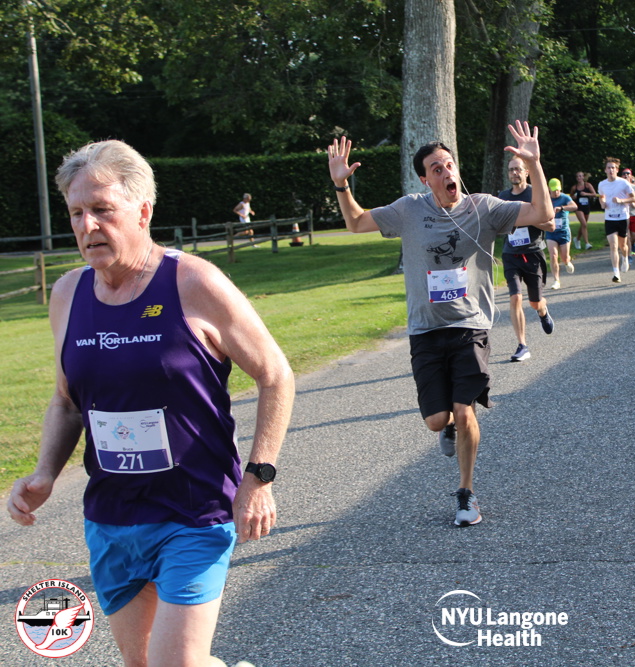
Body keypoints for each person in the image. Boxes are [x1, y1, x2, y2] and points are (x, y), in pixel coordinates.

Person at [7, 140, 295, 667]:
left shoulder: (193, 282)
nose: (87, 226)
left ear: (143, 211)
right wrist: (45, 472)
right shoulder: (68, 294)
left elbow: (275, 375)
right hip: (112, 517)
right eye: (76, 212)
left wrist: (259, 477)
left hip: (194, 511)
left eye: (102, 210)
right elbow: (67, 402)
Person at [326, 120, 555, 526]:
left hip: (470, 325)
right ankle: (446, 424)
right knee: (438, 420)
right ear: (424, 179)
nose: (447, 172)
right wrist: (342, 186)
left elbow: (542, 214)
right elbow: (356, 223)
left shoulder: (484, 208)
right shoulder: (409, 210)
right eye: (436, 169)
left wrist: (534, 164)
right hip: (425, 328)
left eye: (449, 165)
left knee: (465, 411)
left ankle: (466, 494)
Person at [498, 156, 557, 361]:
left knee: (535, 302)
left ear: (526, 172)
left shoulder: (535, 193)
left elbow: (551, 226)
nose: (514, 173)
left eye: (518, 169)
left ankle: (543, 311)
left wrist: (528, 217)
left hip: (533, 254)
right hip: (510, 253)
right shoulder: (503, 197)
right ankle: (522, 345)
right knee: (515, 297)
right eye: (511, 169)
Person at [598, 157, 635, 283]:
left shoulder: (624, 183)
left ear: (617, 170)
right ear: (605, 170)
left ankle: (625, 258)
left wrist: (621, 200)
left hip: (622, 217)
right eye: (608, 168)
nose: (611, 170)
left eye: (613, 168)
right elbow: (601, 196)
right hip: (609, 218)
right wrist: (602, 202)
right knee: (613, 245)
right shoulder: (602, 184)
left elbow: (633, 198)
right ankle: (616, 273)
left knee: (622, 245)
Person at [546, 178, 577, 289]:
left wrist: (562, 208)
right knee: (553, 255)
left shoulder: (564, 197)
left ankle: (567, 261)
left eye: (558, 190)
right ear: (549, 189)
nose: (556, 192)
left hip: (563, 231)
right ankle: (556, 280)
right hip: (551, 232)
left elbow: (574, 206)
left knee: (564, 257)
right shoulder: (546, 199)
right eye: (554, 190)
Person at [568, 171, 597, 250]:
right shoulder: (574, 187)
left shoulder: (588, 185)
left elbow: (594, 194)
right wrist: (573, 197)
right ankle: (587, 243)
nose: (579, 178)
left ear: (583, 177)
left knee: (583, 225)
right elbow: (570, 197)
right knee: (584, 224)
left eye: (580, 176)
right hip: (578, 207)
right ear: (576, 178)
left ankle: (577, 239)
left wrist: (586, 194)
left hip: (586, 207)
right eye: (578, 176)